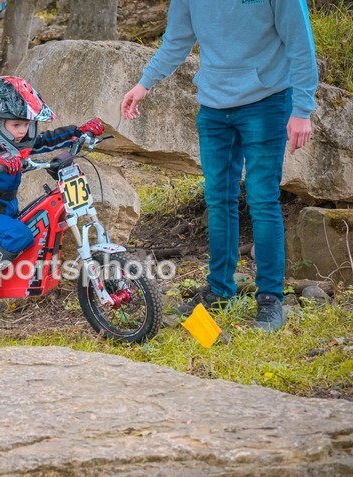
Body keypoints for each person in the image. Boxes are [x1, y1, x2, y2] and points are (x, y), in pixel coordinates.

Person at [121, 0, 318, 331]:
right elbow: (177, 40)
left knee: (262, 198)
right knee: (218, 197)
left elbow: (300, 43)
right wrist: (144, 84)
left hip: (267, 102)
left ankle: (270, 299)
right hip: (213, 107)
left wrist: (302, 109)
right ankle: (220, 290)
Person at [0, 76, 105, 311]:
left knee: (30, 229)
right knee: (20, 235)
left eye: (26, 124)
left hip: (7, 208)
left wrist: (78, 132)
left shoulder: (20, 141)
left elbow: (46, 140)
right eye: (15, 125)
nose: (22, 131)